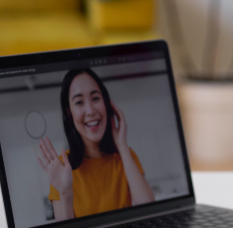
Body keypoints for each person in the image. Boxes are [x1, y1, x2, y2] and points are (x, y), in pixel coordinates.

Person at [37, 69, 155, 221]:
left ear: (106, 104)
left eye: (95, 98)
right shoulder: (61, 167)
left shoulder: (125, 155)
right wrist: (65, 193)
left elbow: (150, 214)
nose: (91, 111)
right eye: (79, 102)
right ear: (69, 113)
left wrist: (122, 145)